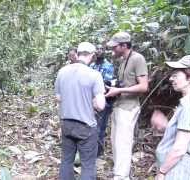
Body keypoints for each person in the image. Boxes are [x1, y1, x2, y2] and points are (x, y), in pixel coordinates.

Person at [55, 42, 106, 180]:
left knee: (66, 161)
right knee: (88, 165)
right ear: (92, 56)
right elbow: (100, 105)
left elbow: (58, 98)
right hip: (86, 126)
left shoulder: (62, 72)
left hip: (66, 123)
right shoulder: (94, 75)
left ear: (77, 54)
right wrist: (91, 101)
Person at [105, 32, 148, 180]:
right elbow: (126, 83)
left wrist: (120, 90)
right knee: (115, 142)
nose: (113, 50)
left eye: (115, 47)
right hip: (119, 106)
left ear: (124, 46)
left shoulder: (138, 59)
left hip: (128, 108)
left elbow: (143, 87)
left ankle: (121, 176)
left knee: (123, 143)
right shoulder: (122, 61)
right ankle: (119, 173)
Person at [151, 55, 190, 180]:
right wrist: (166, 126)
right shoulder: (185, 103)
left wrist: (162, 172)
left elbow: (180, 148)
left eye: (176, 75)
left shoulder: (188, 105)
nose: (171, 79)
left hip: (178, 170)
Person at [90, 44, 114, 157]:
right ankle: (92, 149)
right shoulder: (92, 65)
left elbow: (107, 84)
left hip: (104, 100)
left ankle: (99, 152)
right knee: (92, 126)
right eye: (97, 49)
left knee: (101, 127)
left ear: (104, 51)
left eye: (101, 49)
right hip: (92, 101)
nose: (99, 51)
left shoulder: (108, 66)